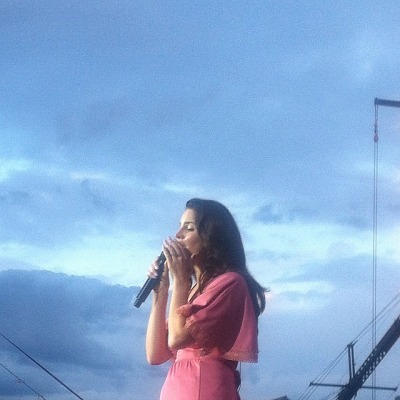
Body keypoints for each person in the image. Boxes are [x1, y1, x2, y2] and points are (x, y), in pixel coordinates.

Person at [145, 198, 267, 400]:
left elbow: (176, 338)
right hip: (180, 386)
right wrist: (161, 292)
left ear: (210, 237)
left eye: (189, 228)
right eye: (179, 227)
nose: (178, 235)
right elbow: (155, 354)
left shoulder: (230, 283)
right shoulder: (194, 291)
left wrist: (181, 282)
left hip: (202, 385)